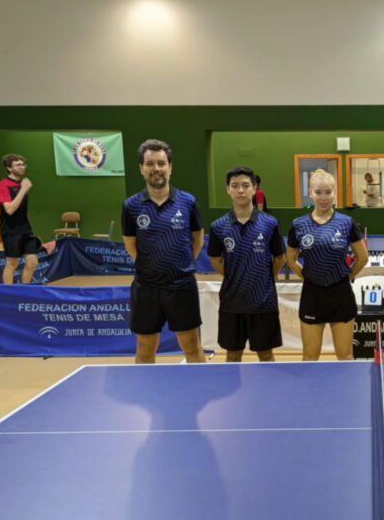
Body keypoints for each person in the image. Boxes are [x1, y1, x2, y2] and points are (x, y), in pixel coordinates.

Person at [122, 139, 206, 364]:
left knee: (191, 345)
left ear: (170, 167)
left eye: (161, 163)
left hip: (182, 286)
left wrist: (182, 263)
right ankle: (146, 394)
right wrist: (150, 265)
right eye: (150, 164)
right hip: (146, 287)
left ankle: (201, 389)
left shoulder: (188, 202)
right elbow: (130, 243)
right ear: (141, 168)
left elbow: (197, 238)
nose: (156, 169)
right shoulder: (131, 206)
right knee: (145, 348)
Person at [286, 169, 369, 360]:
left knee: (345, 355)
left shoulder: (346, 222)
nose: (323, 197)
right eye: (318, 192)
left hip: (340, 295)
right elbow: (290, 258)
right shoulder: (299, 224)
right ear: (311, 193)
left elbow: (362, 258)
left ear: (334, 193)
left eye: (328, 192)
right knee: (310, 355)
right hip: (312, 295)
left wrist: (346, 277)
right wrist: (305, 276)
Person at [208, 166, 286, 362]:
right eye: (235, 186)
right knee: (232, 355)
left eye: (245, 185)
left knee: (266, 354)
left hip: (263, 303)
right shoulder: (218, 226)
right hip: (231, 304)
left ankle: (269, 392)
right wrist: (235, 275)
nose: (240, 190)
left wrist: (266, 278)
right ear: (228, 189)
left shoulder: (270, 223)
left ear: (254, 188)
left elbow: (280, 258)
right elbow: (215, 259)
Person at [0, 154, 39, 284]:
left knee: (32, 262)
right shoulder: (3, 185)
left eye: (23, 164)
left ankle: (23, 291)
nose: (22, 167)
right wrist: (23, 190)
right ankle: (9, 294)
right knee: (12, 263)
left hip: (25, 229)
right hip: (10, 230)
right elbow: (9, 210)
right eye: (18, 165)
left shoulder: (22, 183)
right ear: (9, 168)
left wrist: (23, 187)